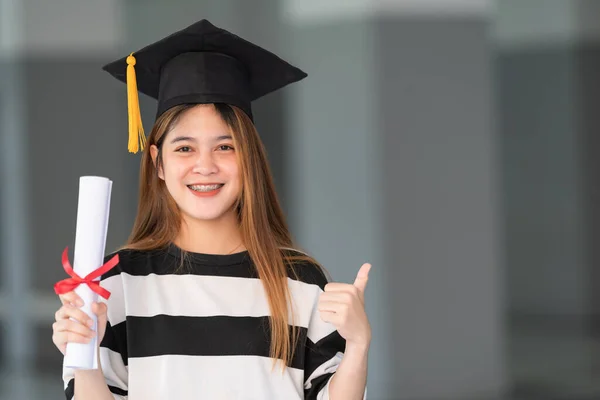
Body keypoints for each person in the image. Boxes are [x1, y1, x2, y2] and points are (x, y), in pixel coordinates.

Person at [51, 19, 371, 400]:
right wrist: (85, 359)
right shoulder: (114, 285)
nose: (205, 166)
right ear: (158, 163)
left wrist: (359, 345)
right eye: (184, 148)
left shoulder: (300, 281)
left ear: (249, 159)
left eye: (225, 147)